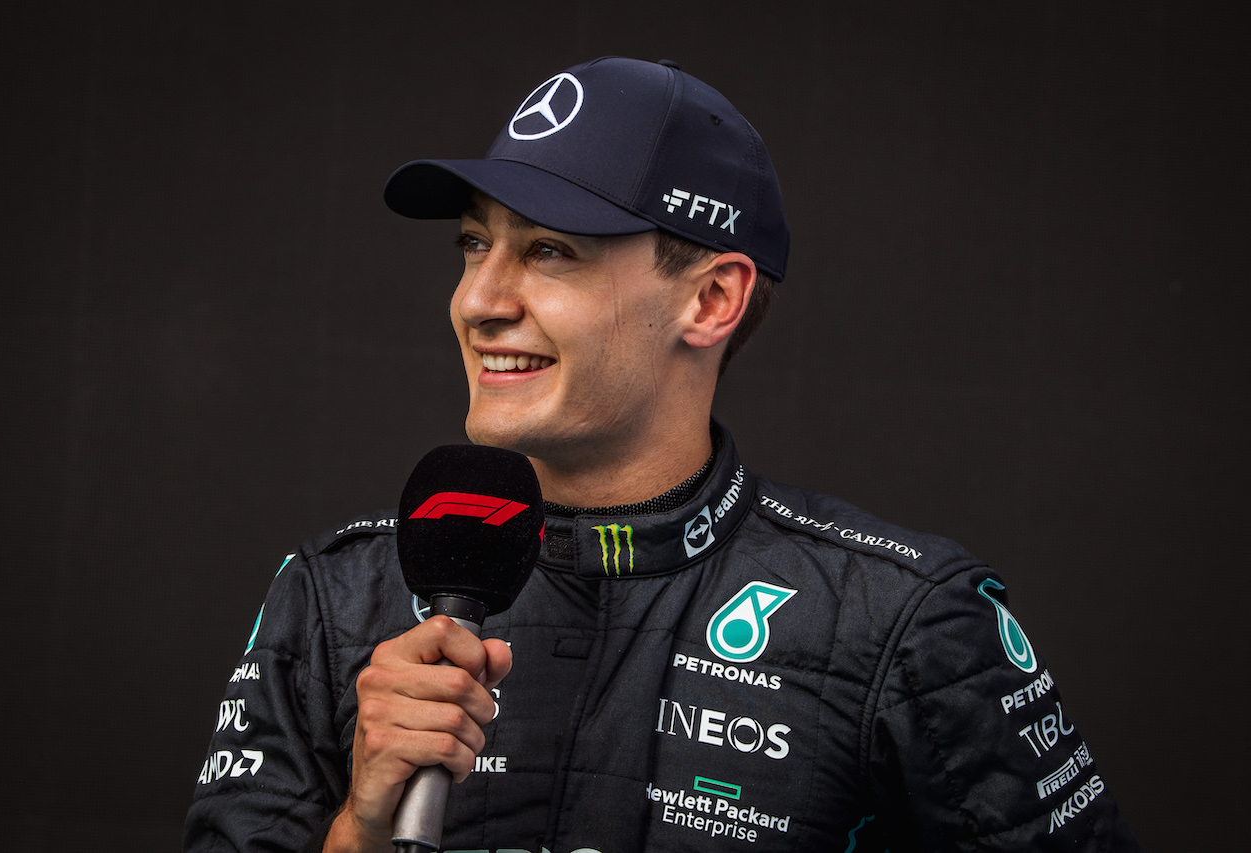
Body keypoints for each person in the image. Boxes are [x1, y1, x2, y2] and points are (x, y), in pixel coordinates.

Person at [183, 57, 1137, 852]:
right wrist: (359, 824)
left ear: (712, 300)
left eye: (551, 250)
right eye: (476, 244)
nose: (479, 299)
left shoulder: (905, 624)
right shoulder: (334, 597)